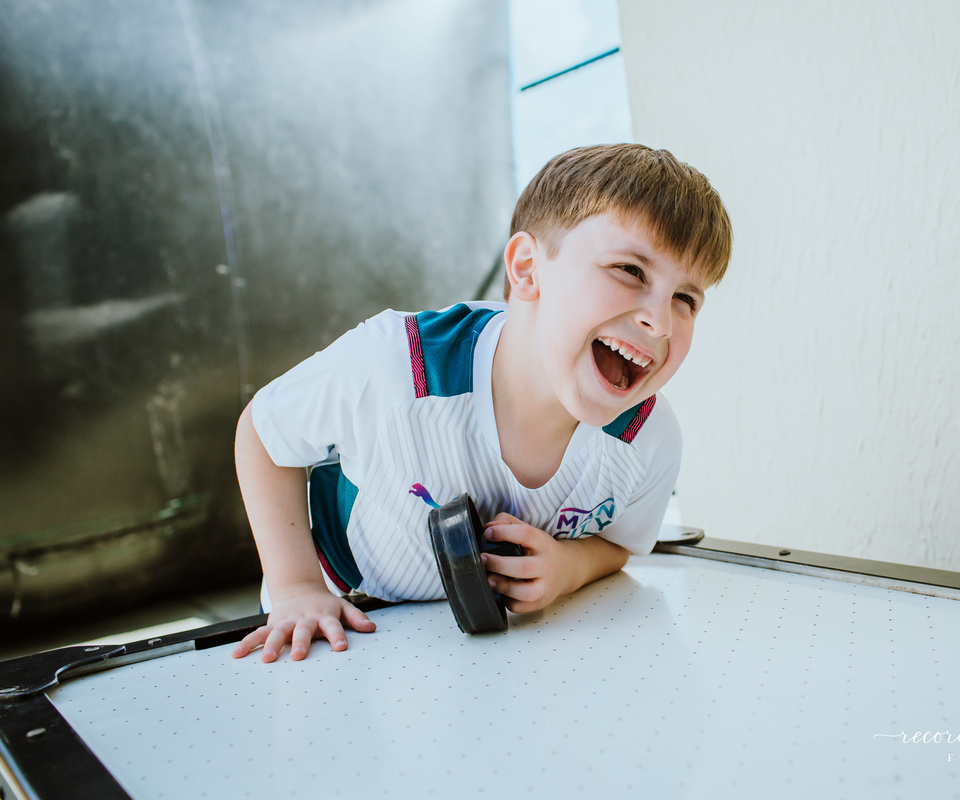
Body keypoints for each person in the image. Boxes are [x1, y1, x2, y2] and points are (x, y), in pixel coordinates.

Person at [231, 143, 732, 662]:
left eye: (686, 299)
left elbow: (620, 543)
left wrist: (568, 567)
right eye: (630, 270)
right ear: (527, 269)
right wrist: (295, 587)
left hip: (494, 663)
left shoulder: (648, 438)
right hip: (341, 627)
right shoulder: (395, 366)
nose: (660, 322)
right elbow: (264, 433)